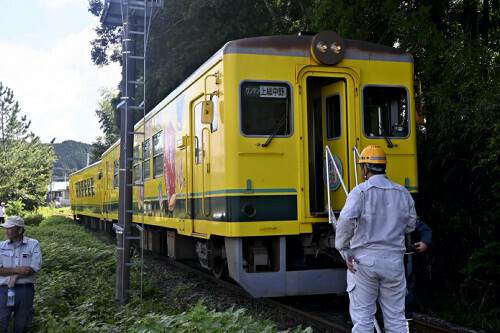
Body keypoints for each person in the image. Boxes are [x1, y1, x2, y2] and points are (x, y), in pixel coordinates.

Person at [335, 145, 416, 333]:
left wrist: (344, 250)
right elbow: (411, 225)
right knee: (396, 318)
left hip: (363, 261)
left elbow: (346, 220)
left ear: (365, 168)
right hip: (394, 261)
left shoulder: (360, 192)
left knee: (363, 319)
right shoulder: (402, 193)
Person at [0, 216, 42, 333]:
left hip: (25, 290)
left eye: (9, 228)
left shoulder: (33, 244)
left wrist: (16, 277)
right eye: (5, 228)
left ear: (19, 230)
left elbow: (35, 266)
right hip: (4, 290)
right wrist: (17, 270)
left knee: (21, 325)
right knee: (1, 322)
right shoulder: (1, 246)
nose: (6, 231)